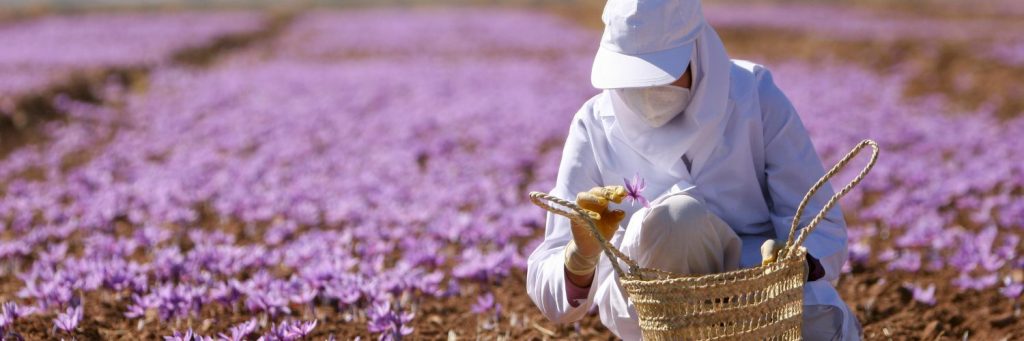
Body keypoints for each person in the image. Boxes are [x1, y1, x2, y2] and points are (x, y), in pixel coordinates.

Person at [525, 0, 863, 339]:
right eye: (631, 81)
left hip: (758, 292)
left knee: (821, 325)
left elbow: (821, 223)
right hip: (658, 307)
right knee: (676, 220)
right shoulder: (593, 124)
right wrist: (579, 260)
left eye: (661, 77)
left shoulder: (754, 96)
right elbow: (551, 285)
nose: (645, 94)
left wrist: (798, 260)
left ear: (696, 50)